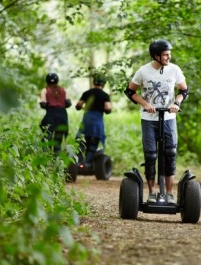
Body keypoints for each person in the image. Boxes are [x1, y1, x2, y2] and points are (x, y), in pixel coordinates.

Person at [124, 39, 189, 205]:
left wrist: (176, 103)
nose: (169, 57)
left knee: (170, 154)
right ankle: (152, 192)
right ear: (156, 56)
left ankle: (169, 193)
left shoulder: (174, 70)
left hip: (169, 118)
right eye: (166, 54)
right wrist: (146, 104)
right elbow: (130, 91)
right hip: (149, 119)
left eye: (169, 54)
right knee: (151, 155)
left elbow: (183, 90)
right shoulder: (143, 71)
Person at [75, 77, 112, 169]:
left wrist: (83, 107)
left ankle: (79, 163)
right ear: (103, 84)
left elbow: (78, 105)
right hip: (97, 121)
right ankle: (87, 164)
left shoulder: (87, 93)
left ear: (94, 83)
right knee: (94, 142)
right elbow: (108, 108)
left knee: (83, 142)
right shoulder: (105, 95)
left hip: (87, 120)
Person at [39, 72, 72, 155]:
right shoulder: (63, 90)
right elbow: (68, 103)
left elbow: (43, 104)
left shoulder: (45, 90)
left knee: (47, 138)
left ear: (47, 81)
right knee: (58, 140)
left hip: (51, 115)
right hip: (62, 116)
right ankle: (56, 159)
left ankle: (47, 159)